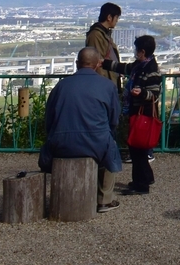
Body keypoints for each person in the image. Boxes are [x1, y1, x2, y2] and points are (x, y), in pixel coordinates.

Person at [39, 47, 123, 213]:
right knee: (110, 148)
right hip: (96, 142)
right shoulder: (107, 86)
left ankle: (63, 197)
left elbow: (49, 119)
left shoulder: (61, 86)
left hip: (61, 142)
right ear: (97, 65)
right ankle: (104, 199)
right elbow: (114, 119)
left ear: (77, 64)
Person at [103, 35, 161, 195]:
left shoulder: (151, 70)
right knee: (139, 148)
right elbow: (124, 68)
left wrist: (141, 93)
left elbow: (155, 94)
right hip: (138, 113)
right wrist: (106, 63)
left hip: (143, 115)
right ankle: (147, 177)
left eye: (137, 50)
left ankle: (140, 185)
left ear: (142, 51)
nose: (135, 52)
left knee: (137, 149)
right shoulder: (140, 66)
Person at [86, 3, 127, 161]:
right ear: (109, 17)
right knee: (106, 120)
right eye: (116, 17)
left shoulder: (104, 34)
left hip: (110, 82)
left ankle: (109, 151)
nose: (117, 21)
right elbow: (95, 61)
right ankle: (105, 153)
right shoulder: (97, 35)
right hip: (105, 84)